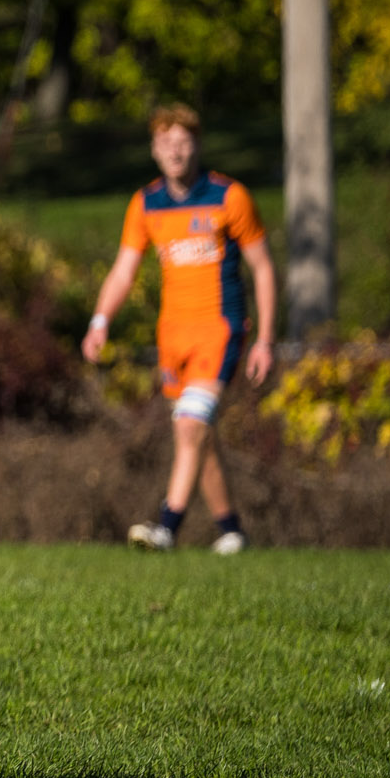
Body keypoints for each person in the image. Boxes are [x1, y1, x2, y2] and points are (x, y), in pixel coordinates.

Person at [80, 104, 275, 552]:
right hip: (173, 334)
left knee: (190, 425)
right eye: (167, 143)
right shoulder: (146, 203)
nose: (176, 151)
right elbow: (124, 270)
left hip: (219, 328)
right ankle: (231, 531)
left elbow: (262, 269)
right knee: (194, 433)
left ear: (197, 146)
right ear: (154, 149)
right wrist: (99, 320)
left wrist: (264, 338)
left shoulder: (230, 197)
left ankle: (166, 527)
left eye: (184, 142)